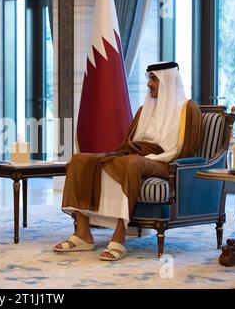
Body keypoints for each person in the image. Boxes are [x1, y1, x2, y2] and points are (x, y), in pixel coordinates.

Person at [53, 62, 202, 261]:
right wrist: (129, 153)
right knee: (79, 160)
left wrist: (147, 157)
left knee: (131, 163)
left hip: (165, 162)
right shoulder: (144, 110)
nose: (149, 84)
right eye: (149, 78)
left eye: (154, 79)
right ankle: (83, 233)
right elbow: (129, 142)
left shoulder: (187, 109)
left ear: (168, 80)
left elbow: (186, 149)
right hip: (136, 155)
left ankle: (119, 237)